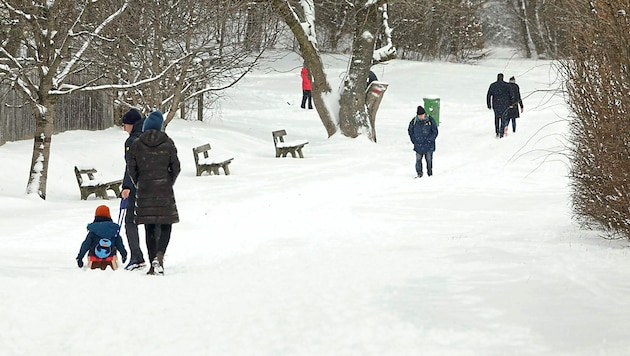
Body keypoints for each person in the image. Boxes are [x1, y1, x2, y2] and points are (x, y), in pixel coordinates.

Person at [128, 110, 181, 276]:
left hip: (145, 190)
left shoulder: (137, 144)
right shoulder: (168, 142)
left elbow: (132, 168)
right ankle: (160, 256)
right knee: (166, 225)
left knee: (149, 227)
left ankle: (153, 263)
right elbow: (176, 167)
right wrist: (168, 181)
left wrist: (140, 182)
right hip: (164, 189)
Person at [120, 108, 146, 270]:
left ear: (131, 124)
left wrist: (126, 186)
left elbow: (131, 167)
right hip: (152, 185)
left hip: (136, 186)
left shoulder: (131, 142)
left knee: (130, 221)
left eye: (125, 125)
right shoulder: (148, 135)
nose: (124, 128)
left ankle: (137, 257)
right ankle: (156, 258)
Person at [76, 205, 128, 270]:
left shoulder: (93, 230)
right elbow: (119, 244)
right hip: (110, 255)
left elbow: (86, 244)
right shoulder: (113, 230)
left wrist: (80, 257)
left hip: (94, 255)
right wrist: (124, 254)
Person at [408, 105, 439, 178]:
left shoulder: (430, 120)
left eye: (422, 115)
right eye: (419, 115)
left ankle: (429, 173)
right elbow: (410, 131)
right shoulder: (414, 121)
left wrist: (430, 140)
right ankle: (419, 173)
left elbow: (435, 132)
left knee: (429, 160)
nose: (421, 117)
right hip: (418, 145)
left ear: (425, 114)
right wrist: (414, 140)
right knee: (418, 160)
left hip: (429, 145)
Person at [486, 73, 513, 138]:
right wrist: (511, 104)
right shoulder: (507, 85)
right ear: (503, 77)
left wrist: (489, 104)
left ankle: (497, 132)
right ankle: (501, 133)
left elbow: (488, 95)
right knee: (503, 118)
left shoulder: (493, 85)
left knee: (496, 118)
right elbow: (511, 95)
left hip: (496, 104)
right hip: (505, 104)